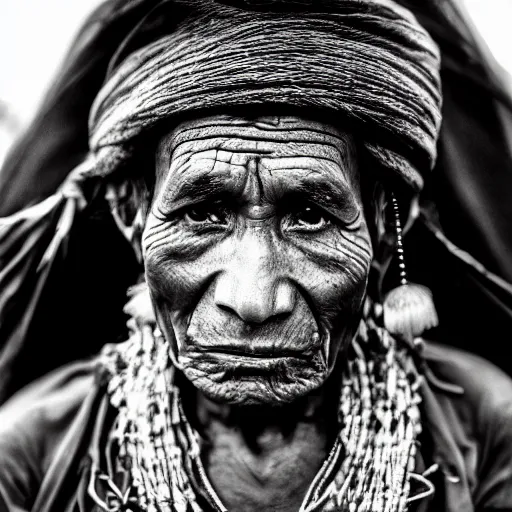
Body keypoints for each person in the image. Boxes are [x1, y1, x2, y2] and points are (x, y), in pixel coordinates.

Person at [1, 1, 512, 511]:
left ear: (382, 226)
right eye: (203, 214)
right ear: (131, 213)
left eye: (310, 216)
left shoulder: (488, 430)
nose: (253, 299)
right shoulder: (28, 453)